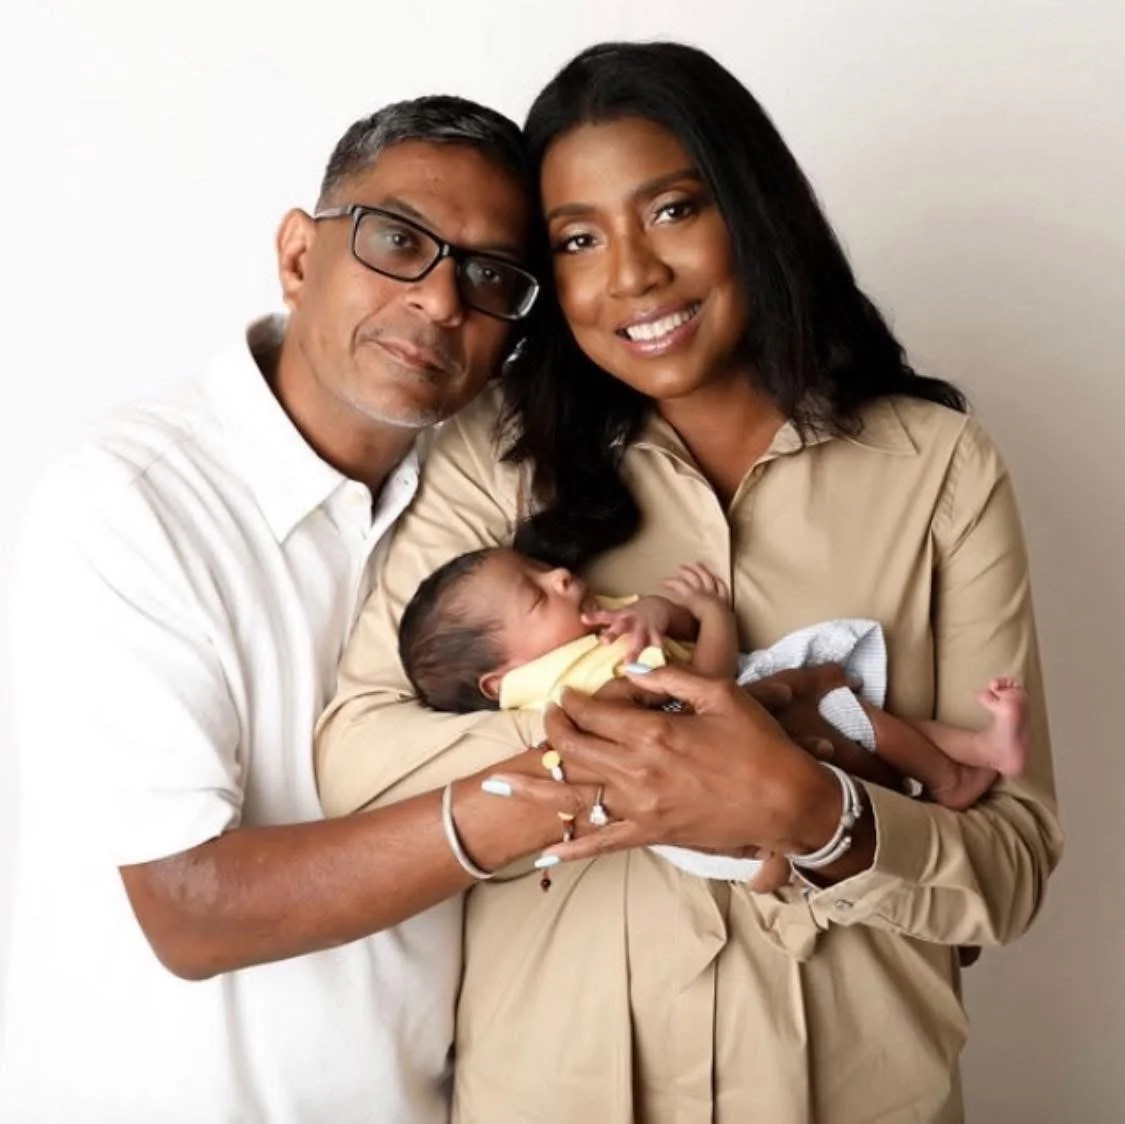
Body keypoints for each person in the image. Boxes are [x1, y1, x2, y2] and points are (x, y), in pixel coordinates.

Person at [315, 42, 1063, 1123]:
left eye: (671, 211)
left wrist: (813, 811)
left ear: (754, 210)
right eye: (577, 238)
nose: (631, 274)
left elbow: (1012, 864)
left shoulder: (940, 468)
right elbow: (359, 758)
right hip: (557, 1092)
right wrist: (624, 742)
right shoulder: (495, 455)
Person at [0, 95, 604, 1124]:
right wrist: (557, 788)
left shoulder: (499, 499)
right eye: (400, 240)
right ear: (296, 255)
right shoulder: (128, 501)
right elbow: (190, 907)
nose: (441, 301)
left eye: (489, 277)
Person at [397, 546, 1030, 820]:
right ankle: (956, 775)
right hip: (735, 721)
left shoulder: (580, 638)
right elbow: (710, 682)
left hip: (742, 727)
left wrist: (653, 611)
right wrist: (714, 617)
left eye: (540, 568)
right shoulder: (576, 682)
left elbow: (654, 625)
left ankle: (975, 753)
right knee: (845, 705)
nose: (562, 576)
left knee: (849, 717)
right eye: (536, 596)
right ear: (500, 681)